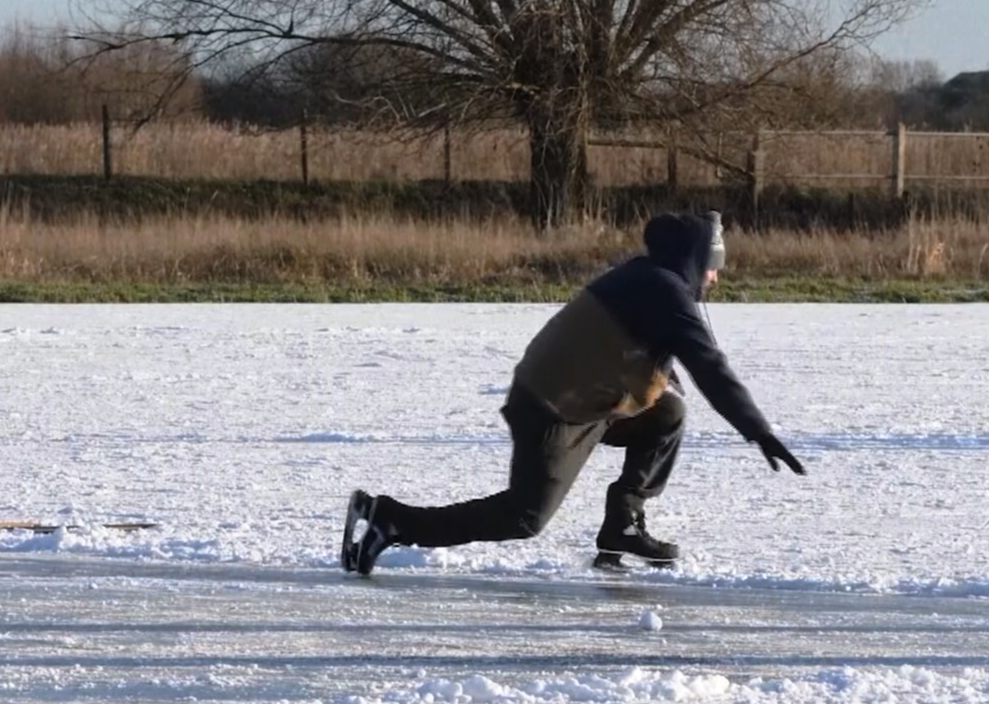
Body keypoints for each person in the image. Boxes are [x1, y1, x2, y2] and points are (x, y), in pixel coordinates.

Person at [342, 210, 804, 577]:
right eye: (714, 268)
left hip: (587, 397)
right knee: (524, 518)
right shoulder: (665, 292)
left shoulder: (648, 277)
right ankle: (392, 520)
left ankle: (622, 524)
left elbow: (650, 358)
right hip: (551, 407)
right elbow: (710, 366)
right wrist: (757, 430)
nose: (716, 279)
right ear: (695, 262)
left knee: (668, 411)